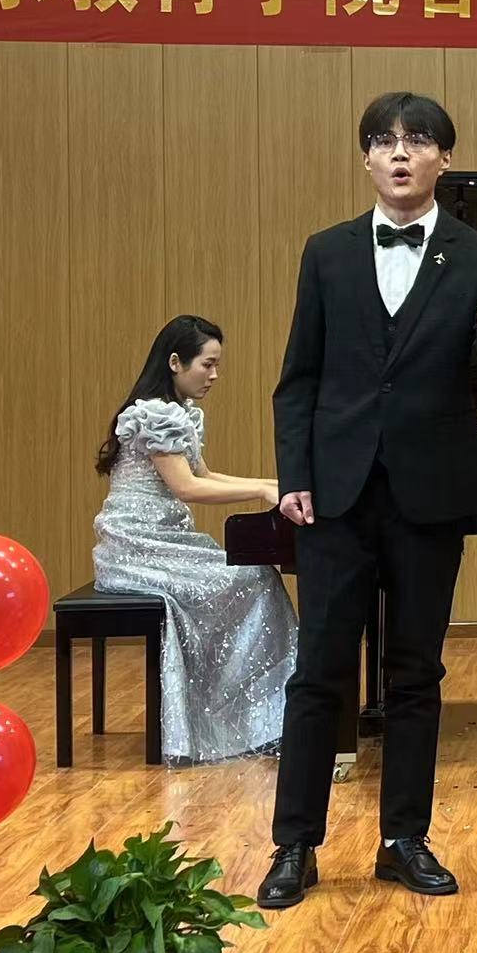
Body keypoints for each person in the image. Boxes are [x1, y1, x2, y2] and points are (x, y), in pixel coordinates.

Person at [259, 92, 477, 908]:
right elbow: (299, 378)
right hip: (336, 495)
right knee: (319, 673)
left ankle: (403, 840)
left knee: (415, 673)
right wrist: (294, 474)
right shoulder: (327, 252)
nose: (400, 153)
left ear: (446, 158)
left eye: (417, 140)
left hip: (430, 492)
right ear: (367, 159)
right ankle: (294, 845)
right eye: (383, 140)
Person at [93, 314, 297, 766]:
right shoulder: (154, 413)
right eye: (208, 364)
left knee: (256, 576)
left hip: (166, 540)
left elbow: (205, 474)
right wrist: (262, 491)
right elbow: (187, 488)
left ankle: (259, 713)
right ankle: (251, 716)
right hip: (137, 546)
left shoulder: (180, 414)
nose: (214, 375)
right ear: (175, 362)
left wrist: (274, 483)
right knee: (255, 580)